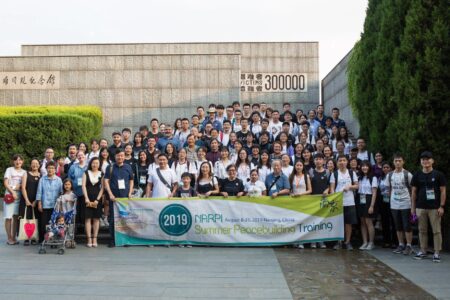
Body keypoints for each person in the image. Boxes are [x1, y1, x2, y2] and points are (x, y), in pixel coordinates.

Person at [411, 151, 447, 262]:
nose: (425, 161)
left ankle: (436, 253)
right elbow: (413, 192)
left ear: (432, 161)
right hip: (420, 207)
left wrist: (441, 206)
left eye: (427, 159)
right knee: (422, 231)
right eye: (423, 159)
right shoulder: (417, 175)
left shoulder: (438, 175)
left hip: (434, 208)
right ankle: (423, 250)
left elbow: (443, 191)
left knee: (436, 231)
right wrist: (413, 208)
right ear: (420, 162)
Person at [104, 149, 134, 247]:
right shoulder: (110, 167)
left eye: (122, 155)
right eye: (118, 156)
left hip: (125, 197)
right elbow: (106, 181)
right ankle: (112, 239)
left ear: (124, 156)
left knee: (125, 218)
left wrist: (130, 192)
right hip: (114, 198)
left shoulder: (128, 167)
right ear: (115, 157)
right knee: (113, 218)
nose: (120, 157)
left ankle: (125, 239)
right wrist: (110, 194)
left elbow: (131, 181)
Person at [385, 154, 413, 255]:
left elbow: (412, 190)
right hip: (394, 204)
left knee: (407, 225)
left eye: (399, 161)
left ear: (403, 162)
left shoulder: (408, 174)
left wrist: (412, 204)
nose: (397, 162)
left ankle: (409, 245)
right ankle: (401, 244)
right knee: (398, 226)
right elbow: (389, 189)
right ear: (393, 162)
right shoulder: (390, 175)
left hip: (406, 203)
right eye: (396, 161)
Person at [329, 155, 359, 250]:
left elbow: (357, 186)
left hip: (349, 202)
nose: (342, 162)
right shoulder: (334, 174)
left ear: (347, 162)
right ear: (337, 163)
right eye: (340, 160)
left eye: (344, 160)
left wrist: (350, 187)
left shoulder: (351, 173)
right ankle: (339, 242)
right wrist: (334, 198)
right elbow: (332, 188)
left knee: (348, 223)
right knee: (338, 223)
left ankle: (347, 242)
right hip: (338, 202)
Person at [36, 161, 63, 243]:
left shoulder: (58, 180)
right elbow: (39, 192)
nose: (50, 170)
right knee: (44, 224)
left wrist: (60, 205)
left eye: (52, 168)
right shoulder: (42, 179)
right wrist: (39, 203)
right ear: (46, 169)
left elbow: (61, 193)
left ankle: (53, 240)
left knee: (54, 224)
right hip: (45, 205)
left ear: (55, 169)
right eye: (49, 168)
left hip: (55, 206)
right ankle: (43, 240)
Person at [3, 154, 26, 245]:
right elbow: (6, 183)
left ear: (22, 162)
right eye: (16, 160)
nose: (18, 161)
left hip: (19, 196)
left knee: (15, 217)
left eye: (20, 160)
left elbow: (23, 185)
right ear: (13, 161)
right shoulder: (9, 170)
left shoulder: (24, 172)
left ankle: (14, 237)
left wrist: (19, 187)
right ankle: (9, 238)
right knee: (8, 217)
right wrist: (13, 191)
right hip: (10, 195)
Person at [82, 157, 104, 248]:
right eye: (93, 163)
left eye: (97, 163)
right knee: (87, 219)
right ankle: (89, 238)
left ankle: (95, 238)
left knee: (96, 219)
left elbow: (103, 187)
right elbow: (83, 186)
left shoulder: (102, 174)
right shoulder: (86, 173)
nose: (95, 165)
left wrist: (97, 200)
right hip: (87, 198)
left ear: (99, 165)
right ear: (90, 163)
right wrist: (86, 198)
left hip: (97, 198)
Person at [356, 161, 378, 251]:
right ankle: (365, 242)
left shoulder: (373, 178)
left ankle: (371, 242)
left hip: (369, 200)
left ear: (369, 167)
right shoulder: (359, 178)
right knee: (362, 222)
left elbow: (374, 193)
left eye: (366, 166)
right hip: (360, 199)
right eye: (363, 166)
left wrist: (372, 206)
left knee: (368, 221)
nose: (364, 168)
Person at [19, 158, 41, 245]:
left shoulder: (41, 175)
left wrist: (36, 200)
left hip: (36, 200)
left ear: (39, 165)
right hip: (26, 200)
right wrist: (27, 200)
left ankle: (34, 237)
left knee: (36, 218)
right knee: (27, 218)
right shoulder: (26, 174)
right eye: (33, 163)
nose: (35, 165)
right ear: (30, 165)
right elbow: (23, 188)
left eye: (36, 163)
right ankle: (27, 238)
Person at [377, 161, 397, 249]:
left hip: (392, 200)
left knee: (393, 221)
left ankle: (395, 242)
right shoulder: (380, 178)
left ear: (391, 168)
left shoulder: (393, 177)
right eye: (384, 167)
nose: (385, 169)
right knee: (385, 221)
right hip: (382, 201)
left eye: (387, 167)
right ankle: (386, 241)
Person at [67, 151, 88, 231]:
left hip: (85, 192)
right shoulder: (73, 167)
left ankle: (83, 225)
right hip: (75, 191)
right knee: (75, 210)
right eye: (78, 155)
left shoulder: (88, 166)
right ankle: (76, 226)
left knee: (84, 209)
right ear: (76, 157)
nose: (80, 157)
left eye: (82, 155)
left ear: (85, 156)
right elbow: (69, 178)